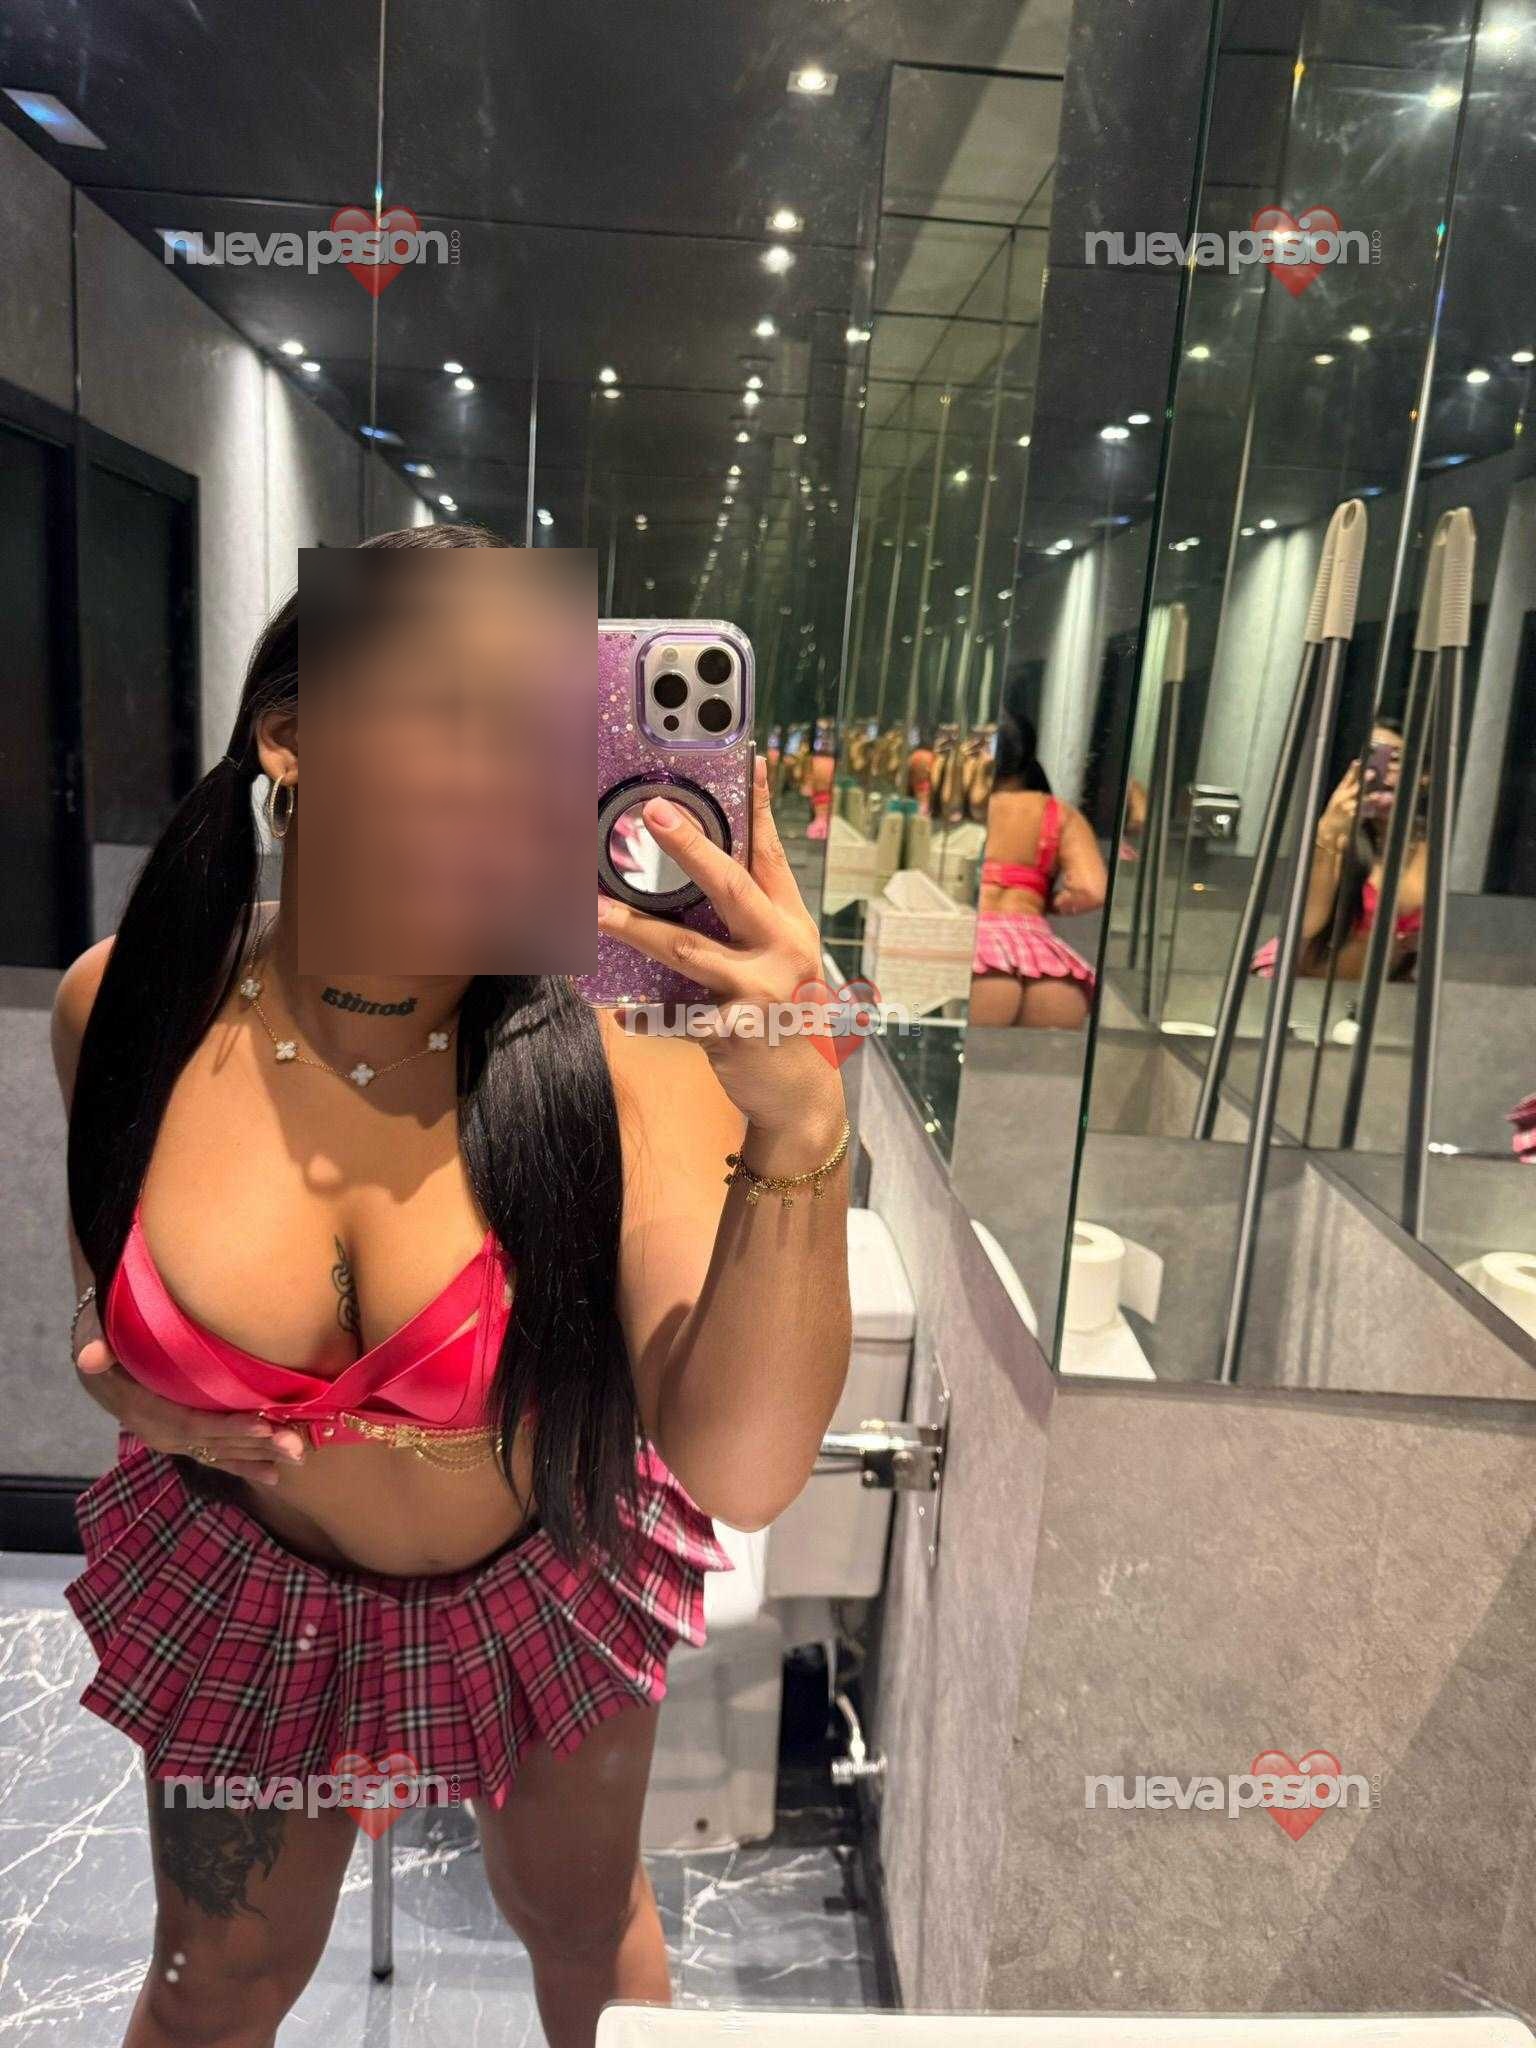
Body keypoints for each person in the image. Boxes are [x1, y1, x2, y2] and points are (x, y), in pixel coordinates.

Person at [54, 525, 852, 2048]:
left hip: (542, 1575)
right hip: (248, 1585)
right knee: (213, 1981)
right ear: (292, 736)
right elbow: (109, 1311)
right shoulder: (129, 1002)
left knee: (580, 1923)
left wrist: (800, 1117)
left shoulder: (622, 1046)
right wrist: (124, 1381)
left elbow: (745, 1471)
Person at [1251, 721, 1424, 981]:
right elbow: (1307, 923)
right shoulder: (1339, 840)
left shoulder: (1432, 851)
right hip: (1296, 984)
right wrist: (1328, 833)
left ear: (1423, 775)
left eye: (1395, 758)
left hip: (1381, 993)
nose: (1382, 769)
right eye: (1373, 756)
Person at [968, 713, 1108, 1028]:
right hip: (1047, 968)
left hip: (979, 956)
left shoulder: (965, 806)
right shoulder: (1060, 813)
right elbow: (1092, 890)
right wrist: (1044, 902)